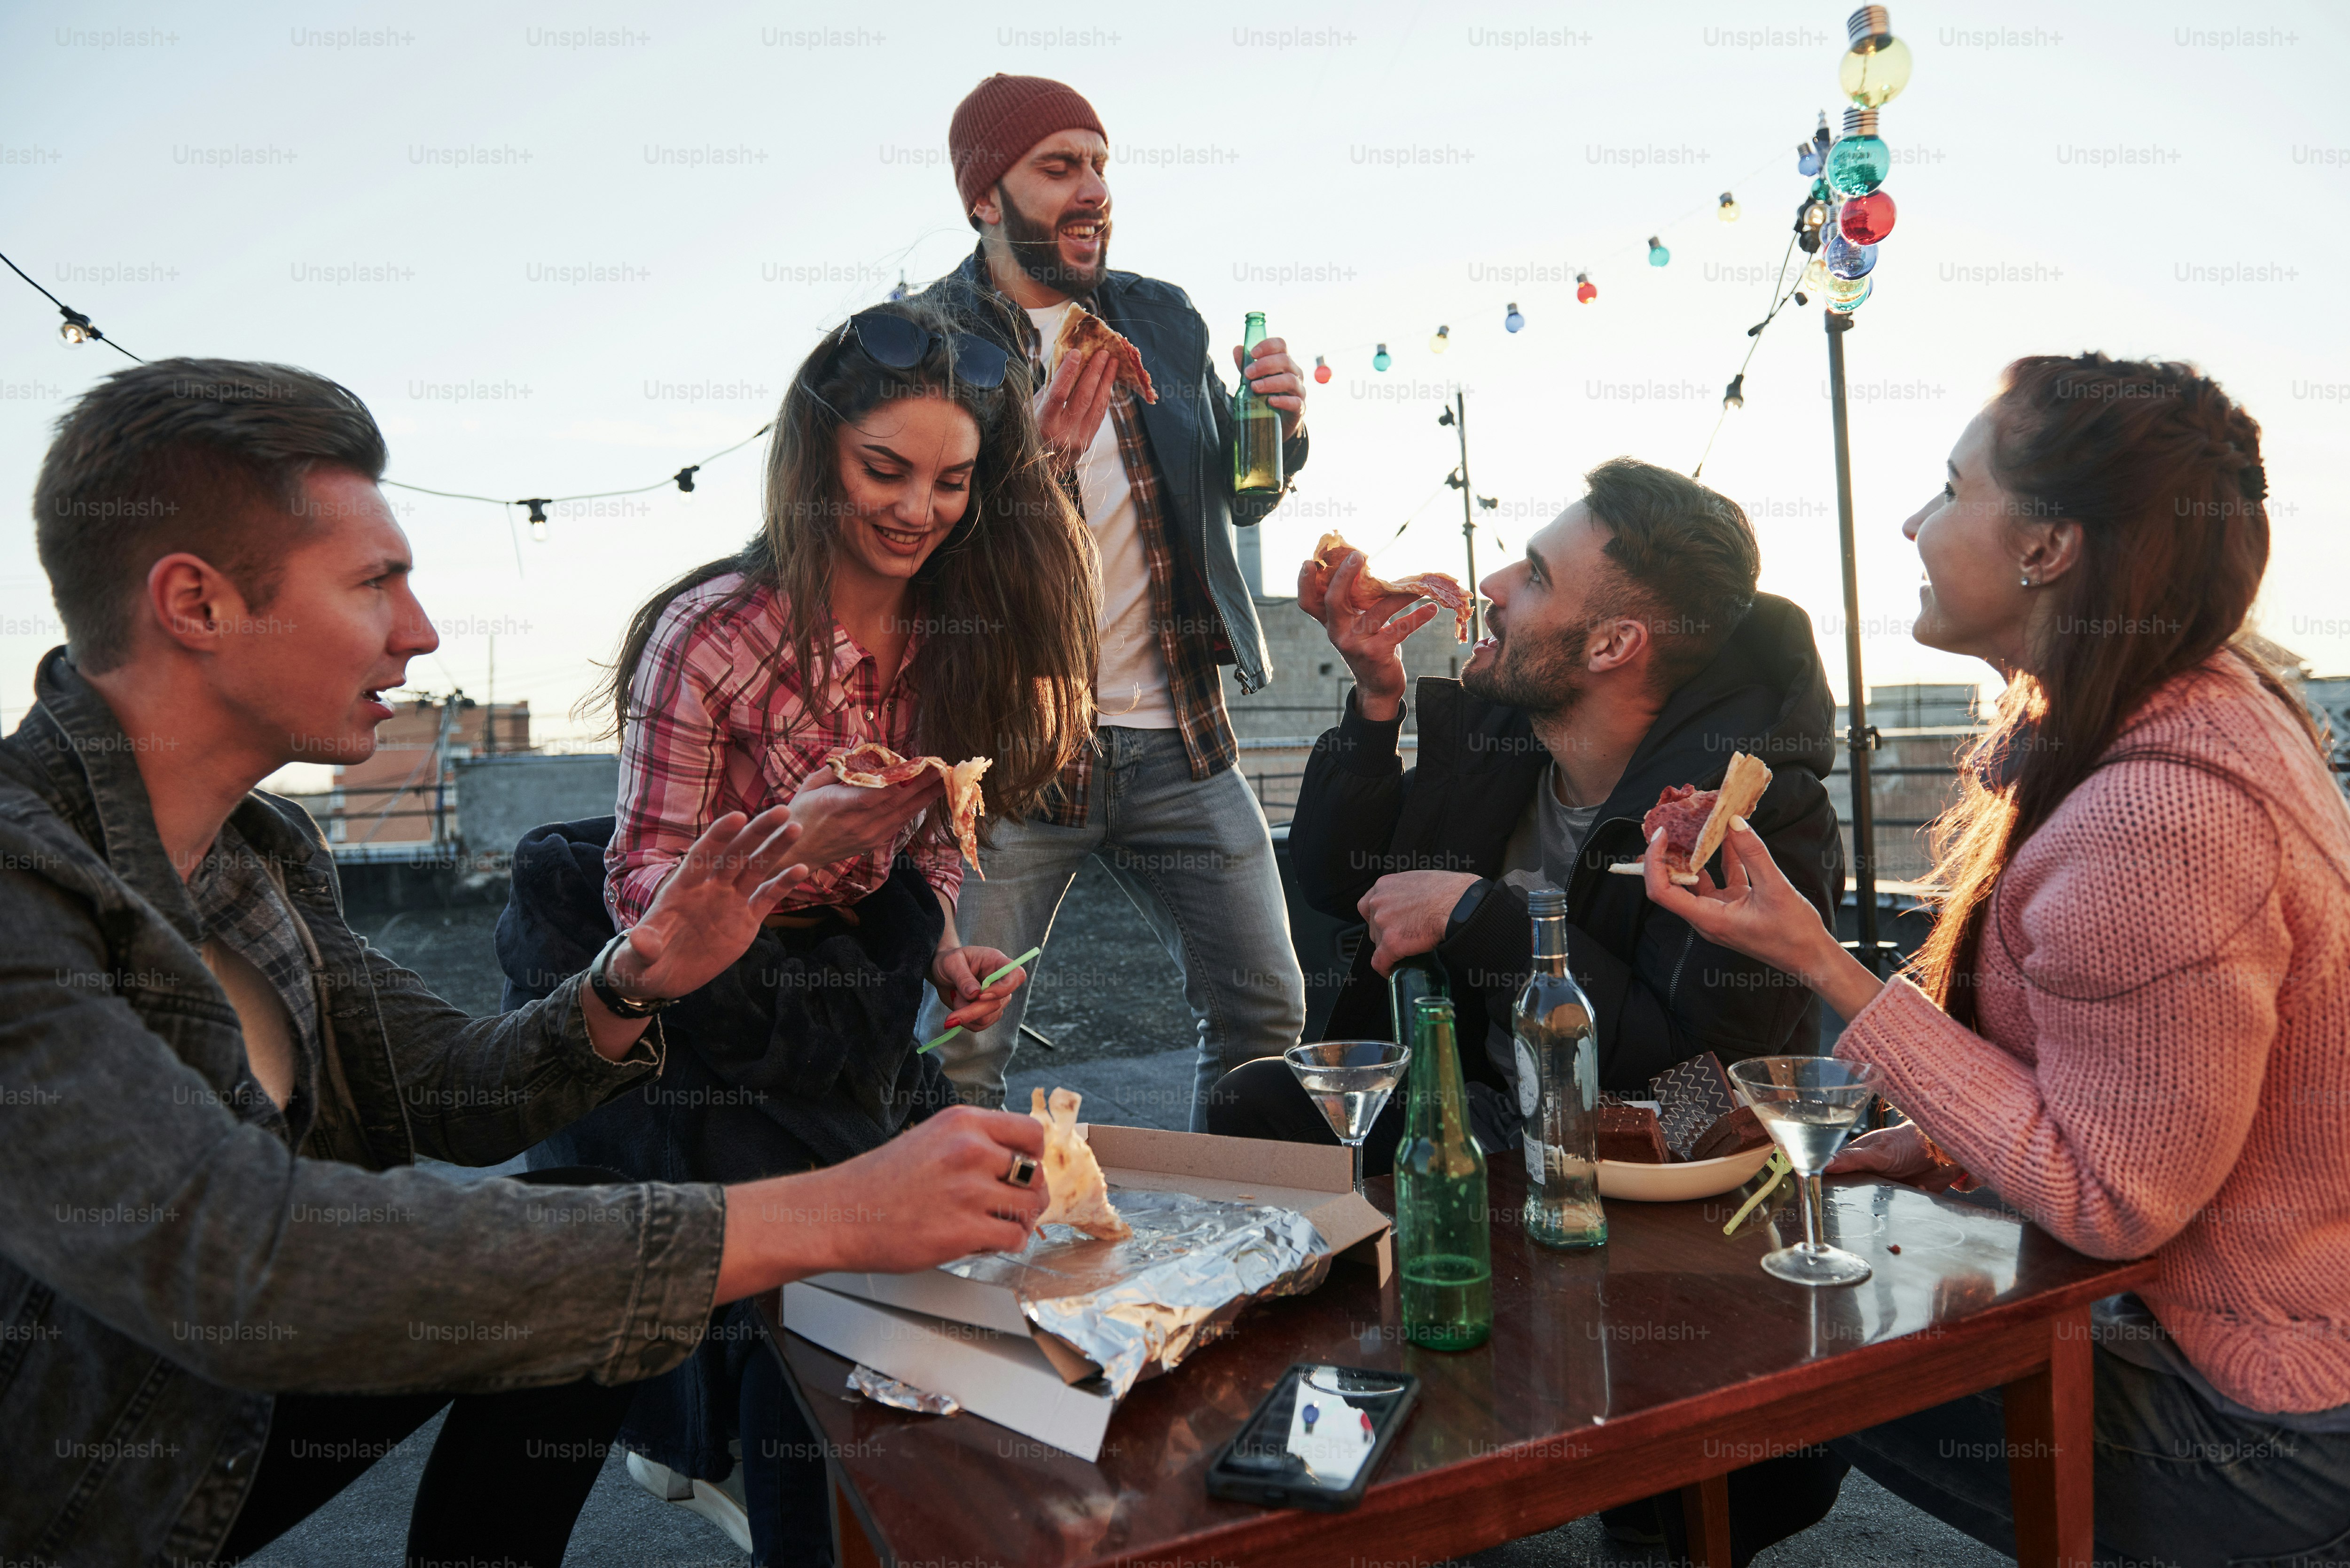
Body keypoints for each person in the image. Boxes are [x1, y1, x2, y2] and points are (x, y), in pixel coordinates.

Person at [0, 358, 1051, 1568]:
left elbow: (452, 1087)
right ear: (195, 604)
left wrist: (634, 980)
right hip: (86, 1493)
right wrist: (829, 1211)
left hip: (236, 1405)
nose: (422, 628)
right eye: (373, 581)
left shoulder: (262, 856)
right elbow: (247, 1260)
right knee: (622, 1251)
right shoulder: (26, 882)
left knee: (592, 1229)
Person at [1637, 354, 2350, 1568]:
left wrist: (1819, 958)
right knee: (1828, 1245)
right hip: (2240, 1340)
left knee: (1784, 1307)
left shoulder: (2161, 813)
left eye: (1951, 488)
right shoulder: (2181, 709)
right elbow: (2119, 1077)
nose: (1914, 522)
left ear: (2050, 546)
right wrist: (1919, 1143)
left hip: (2261, 1428)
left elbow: (2114, 1198)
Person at [501, 297, 1100, 1558]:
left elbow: (936, 830)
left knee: (954, 1240)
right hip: (683, 1006)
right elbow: (643, 894)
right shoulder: (709, 632)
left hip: (845, 990)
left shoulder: (956, 625)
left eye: (951, 481)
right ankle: (766, 1502)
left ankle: (829, 1499)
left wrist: (940, 948)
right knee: (819, 1263)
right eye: (886, 470)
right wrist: (791, 846)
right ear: (815, 454)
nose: (917, 510)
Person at [1208, 458, 1844, 1172]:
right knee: (1249, 1102)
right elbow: (1336, 885)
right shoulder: (1508, 741)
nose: (1493, 586)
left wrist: (1480, 918)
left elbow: (1694, 1082)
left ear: (1613, 644)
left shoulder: (1752, 816)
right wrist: (1374, 703)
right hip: (1481, 1110)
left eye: (1536, 576)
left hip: (1623, 1157)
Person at [915, 73, 1313, 1128]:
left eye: (1099, 164)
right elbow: (906, 551)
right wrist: (1029, 469)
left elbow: (1240, 493)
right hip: (1009, 754)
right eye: (1059, 167)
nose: (1092, 189)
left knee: (1265, 1015)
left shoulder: (1164, 319)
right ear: (984, 199)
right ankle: (949, 1272)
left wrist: (1280, 431)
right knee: (962, 1042)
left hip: (1178, 734)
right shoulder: (922, 345)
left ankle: (1240, 1251)